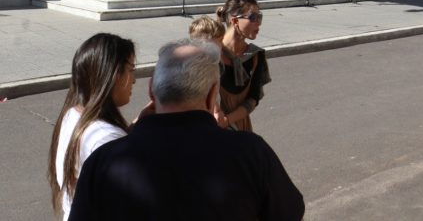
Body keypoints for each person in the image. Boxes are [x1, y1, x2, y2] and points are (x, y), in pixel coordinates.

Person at [68, 39, 304, 221]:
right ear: (213, 95)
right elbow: (289, 212)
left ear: (152, 90)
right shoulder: (251, 152)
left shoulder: (102, 162)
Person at [48, 33, 136, 221]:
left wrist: (130, 134)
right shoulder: (106, 138)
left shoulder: (72, 113)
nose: (135, 80)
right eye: (132, 69)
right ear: (113, 75)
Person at [216, 0, 271, 132]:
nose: (259, 23)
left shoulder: (255, 56)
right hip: (211, 128)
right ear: (235, 21)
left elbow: (253, 98)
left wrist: (227, 120)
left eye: (260, 17)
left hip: (240, 129)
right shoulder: (211, 53)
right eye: (253, 18)